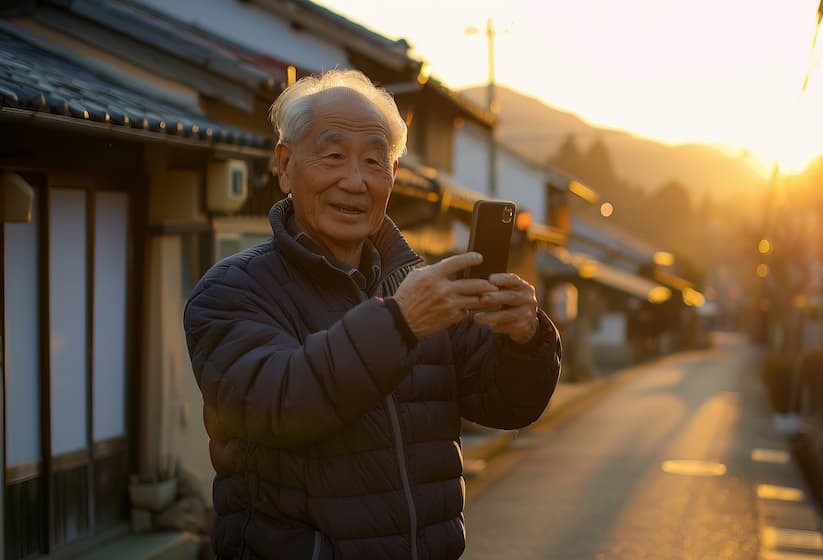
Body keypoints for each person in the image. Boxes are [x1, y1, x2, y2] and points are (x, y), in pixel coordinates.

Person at [183, 68, 561, 560]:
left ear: (393, 176)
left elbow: (508, 407)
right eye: (334, 155)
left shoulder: (420, 287)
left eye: (374, 161)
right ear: (285, 165)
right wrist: (400, 324)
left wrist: (524, 339)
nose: (355, 181)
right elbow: (277, 406)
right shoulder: (233, 289)